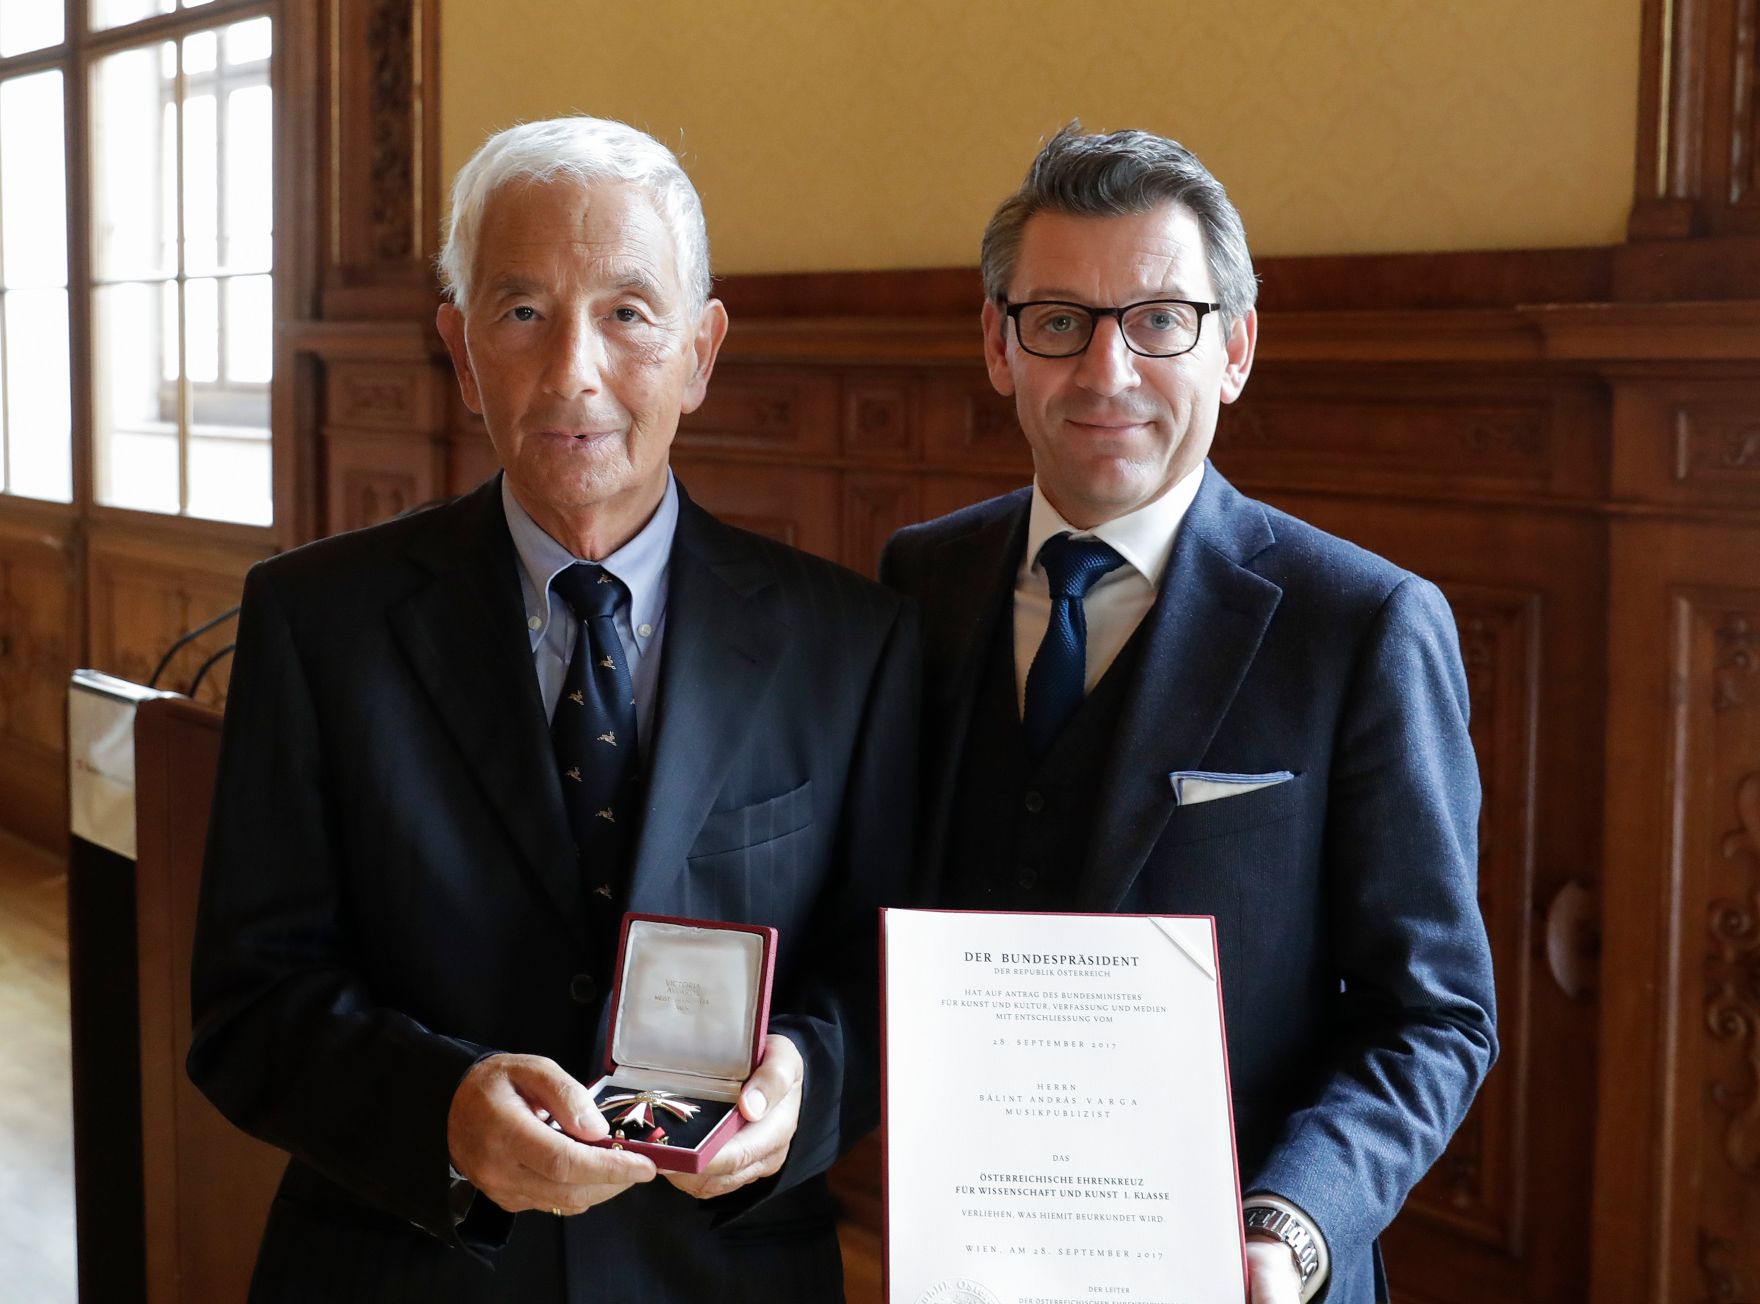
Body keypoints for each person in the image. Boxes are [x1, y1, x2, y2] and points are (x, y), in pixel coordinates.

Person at [188, 116, 916, 1303]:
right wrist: (440, 1110)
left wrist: (805, 1078)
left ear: (700, 350)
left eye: (629, 312)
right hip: (403, 1265)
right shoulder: (317, 621)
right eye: (521, 310)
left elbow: (877, 976)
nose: (573, 368)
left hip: (717, 1269)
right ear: (461, 351)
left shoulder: (850, 642)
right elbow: (247, 1003)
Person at [881, 125, 1496, 1304]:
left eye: (1159, 319)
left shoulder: (1360, 623)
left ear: (1235, 347)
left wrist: (1292, 1226)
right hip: (965, 1261)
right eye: (1058, 320)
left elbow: (1433, 1015)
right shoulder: (919, 581)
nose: (1105, 372)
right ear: (998, 346)